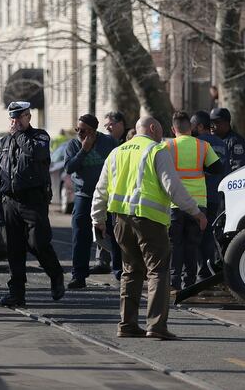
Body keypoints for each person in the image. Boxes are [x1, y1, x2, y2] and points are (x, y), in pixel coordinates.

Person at [91, 116, 207, 339]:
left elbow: (101, 189)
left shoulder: (117, 151)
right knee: (158, 272)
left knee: (130, 272)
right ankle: (156, 325)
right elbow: (173, 187)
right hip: (150, 221)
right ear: (153, 128)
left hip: (121, 221)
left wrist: (98, 218)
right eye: (161, 130)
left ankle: (127, 325)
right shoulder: (156, 150)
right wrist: (196, 212)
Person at [0, 101, 65, 307]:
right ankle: (16, 293)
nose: (15, 122)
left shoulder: (40, 137)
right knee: (14, 249)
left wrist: (18, 135)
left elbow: (37, 154)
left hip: (33, 201)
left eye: (19, 117)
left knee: (38, 243)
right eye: (12, 118)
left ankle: (56, 276)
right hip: (9, 201)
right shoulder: (2, 143)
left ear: (28, 117)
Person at [167, 111, 222, 291]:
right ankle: (189, 283)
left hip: (174, 203)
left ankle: (174, 281)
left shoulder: (167, 146)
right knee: (192, 245)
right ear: (190, 128)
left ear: (173, 129)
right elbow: (217, 168)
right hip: (198, 204)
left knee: (175, 244)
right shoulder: (203, 146)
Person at [63, 114, 117, 289]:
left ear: (94, 131)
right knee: (80, 236)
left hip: (107, 196)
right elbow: (69, 167)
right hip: (83, 196)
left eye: (83, 130)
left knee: (115, 234)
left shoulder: (108, 143)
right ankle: (78, 275)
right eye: (77, 129)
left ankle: (120, 272)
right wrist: (83, 150)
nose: (79, 133)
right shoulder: (73, 145)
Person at [190, 111, 229, 279]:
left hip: (199, 195)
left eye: (192, 126)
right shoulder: (221, 143)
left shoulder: (197, 143)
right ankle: (208, 267)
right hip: (216, 194)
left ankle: (199, 269)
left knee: (195, 234)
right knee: (210, 234)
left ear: (199, 126)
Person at [92, 111, 129, 276]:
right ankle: (103, 261)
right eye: (105, 126)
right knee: (104, 229)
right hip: (109, 192)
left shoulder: (128, 139)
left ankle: (118, 265)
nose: (108, 129)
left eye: (110, 125)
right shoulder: (106, 142)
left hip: (123, 197)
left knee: (117, 234)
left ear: (120, 123)